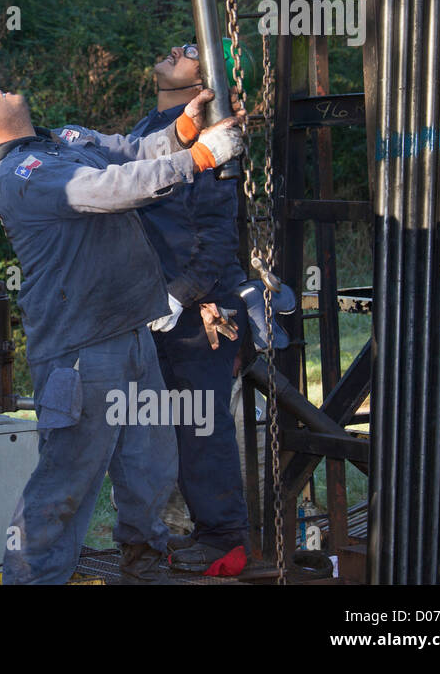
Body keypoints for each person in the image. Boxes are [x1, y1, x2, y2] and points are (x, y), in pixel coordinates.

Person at [0, 82, 244, 584]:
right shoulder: (20, 175)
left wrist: (183, 132)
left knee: (151, 470)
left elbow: (129, 154)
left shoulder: (58, 142)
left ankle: (144, 567)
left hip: (130, 331)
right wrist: (198, 159)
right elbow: (111, 189)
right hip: (81, 352)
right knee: (66, 483)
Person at [132, 41, 256, 574]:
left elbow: (216, 238)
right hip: (149, 307)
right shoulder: (147, 129)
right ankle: (184, 530)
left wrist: (179, 296)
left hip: (200, 312)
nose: (173, 48)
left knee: (201, 426)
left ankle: (225, 540)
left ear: (207, 81)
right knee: (160, 429)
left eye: (189, 49)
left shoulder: (212, 139)